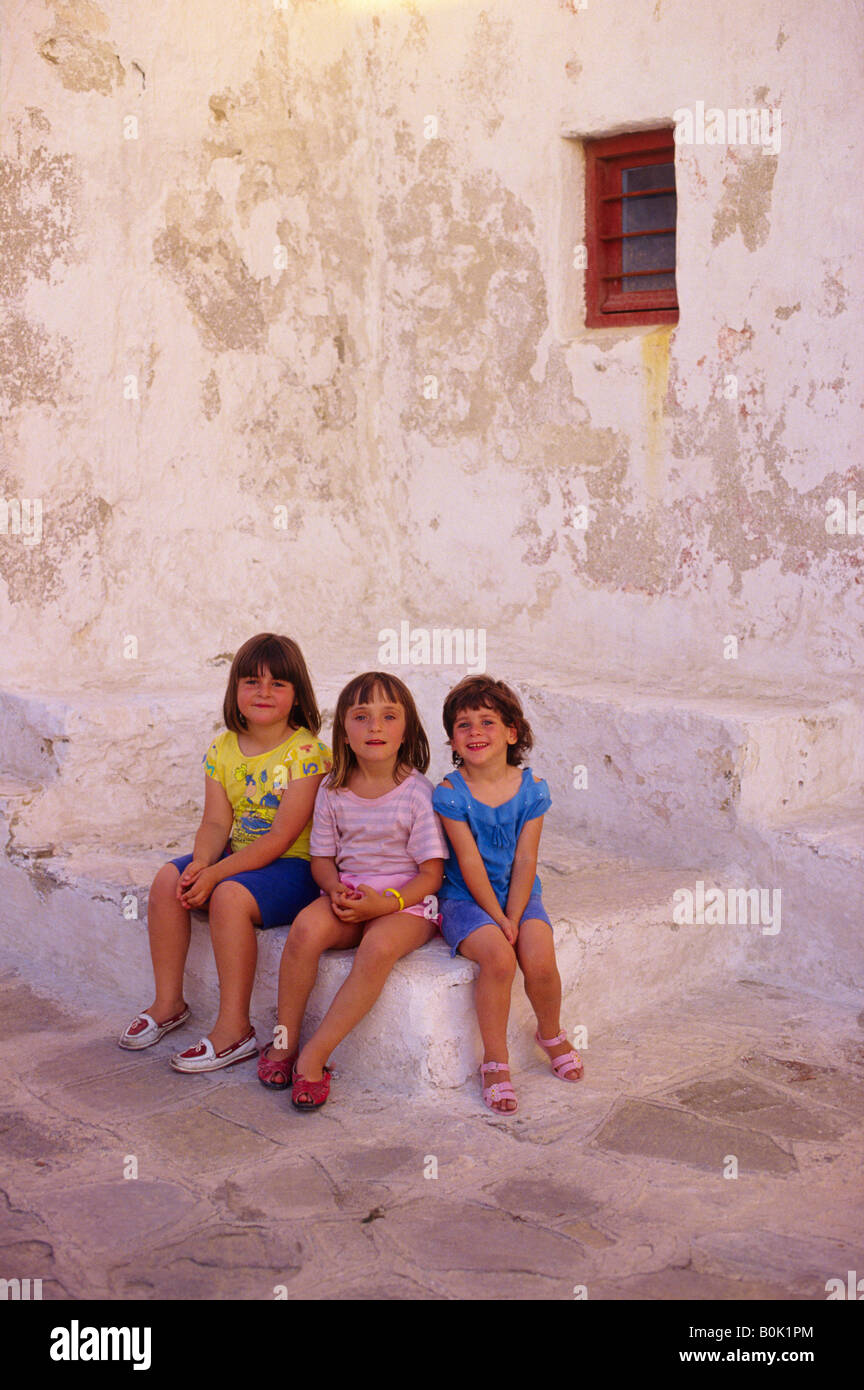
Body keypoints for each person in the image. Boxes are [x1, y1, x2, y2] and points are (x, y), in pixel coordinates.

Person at [118, 633, 331, 1072]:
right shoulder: (222, 747)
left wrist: (217, 877)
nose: (263, 692)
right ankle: (168, 1002)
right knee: (167, 879)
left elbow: (278, 837)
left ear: (297, 696)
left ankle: (235, 1030)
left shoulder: (307, 753)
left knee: (229, 897)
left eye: (278, 684)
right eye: (252, 682)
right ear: (235, 690)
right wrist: (200, 864)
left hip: (295, 866)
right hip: (239, 856)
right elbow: (216, 822)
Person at [260, 671, 446, 1109]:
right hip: (349, 895)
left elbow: (431, 875)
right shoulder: (332, 789)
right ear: (343, 731)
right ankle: (284, 1041)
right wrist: (333, 890)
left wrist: (390, 902)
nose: (375, 727)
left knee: (378, 948)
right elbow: (323, 861)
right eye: (361, 717)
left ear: (407, 730)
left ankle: (315, 1054)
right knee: (305, 929)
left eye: (388, 716)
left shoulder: (417, 792)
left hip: (408, 904)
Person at [432, 675, 582, 1114]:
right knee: (498, 959)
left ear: (512, 733)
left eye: (487, 722)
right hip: (465, 899)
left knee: (538, 955)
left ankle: (550, 1032)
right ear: (453, 740)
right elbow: (470, 862)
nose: (475, 732)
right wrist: (498, 919)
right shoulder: (450, 794)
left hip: (519, 894)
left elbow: (525, 860)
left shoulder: (532, 788)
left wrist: (515, 914)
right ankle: (495, 1060)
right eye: (464, 725)